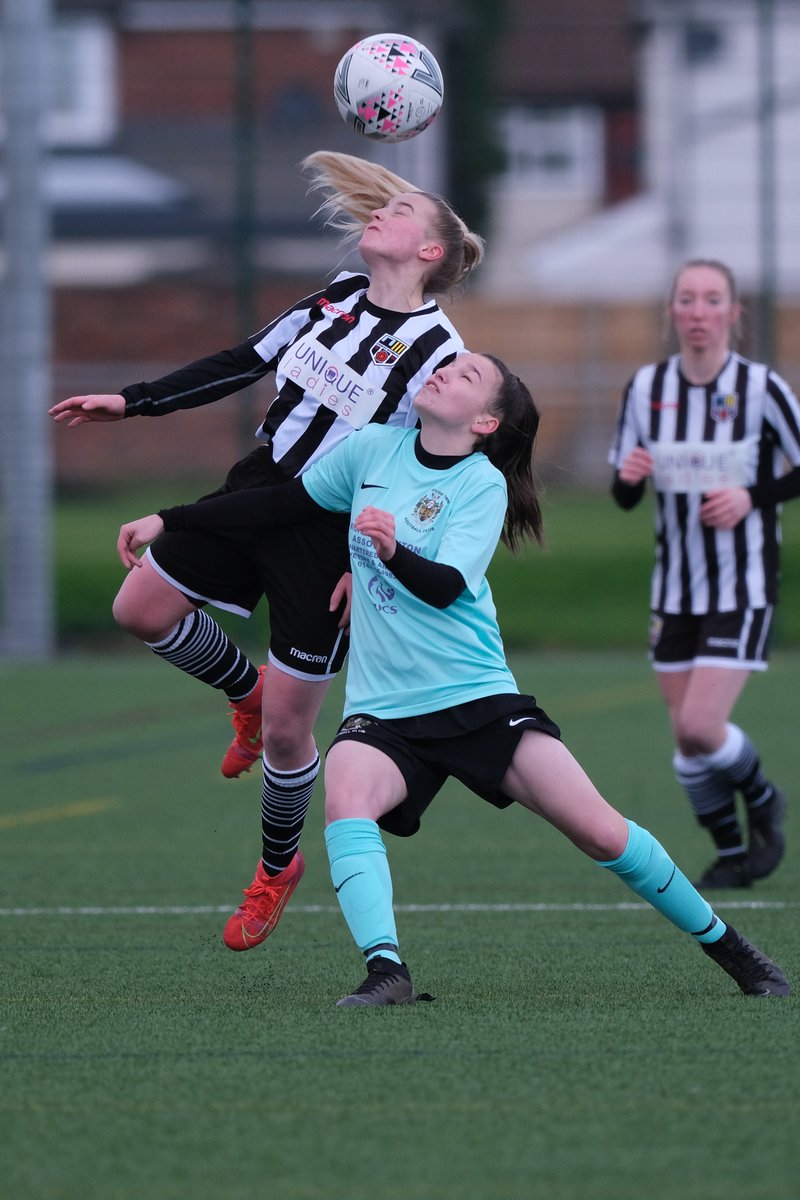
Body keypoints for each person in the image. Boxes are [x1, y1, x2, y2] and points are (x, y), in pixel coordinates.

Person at [118, 351, 790, 1006]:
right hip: (385, 710)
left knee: (600, 833)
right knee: (347, 799)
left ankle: (730, 946)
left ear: (486, 423)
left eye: (467, 374)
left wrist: (387, 550)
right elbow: (275, 507)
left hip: (476, 700)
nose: (444, 370)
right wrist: (169, 521)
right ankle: (387, 972)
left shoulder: (479, 484)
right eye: (451, 363)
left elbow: (443, 587)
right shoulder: (373, 449)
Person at [50, 151, 484, 950]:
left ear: (430, 253)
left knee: (292, 733)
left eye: (399, 214)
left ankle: (277, 867)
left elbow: (431, 464)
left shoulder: (436, 347)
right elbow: (244, 360)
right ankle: (240, 693)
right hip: (262, 485)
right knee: (139, 607)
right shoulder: (337, 299)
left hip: (330, 533)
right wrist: (131, 402)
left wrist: (379, 560)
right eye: (381, 209)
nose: (378, 215)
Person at [609, 259, 800, 889]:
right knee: (687, 742)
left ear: (733, 313)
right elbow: (625, 493)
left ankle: (765, 800)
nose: (697, 311)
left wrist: (752, 497)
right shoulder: (645, 388)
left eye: (711, 299)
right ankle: (731, 851)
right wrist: (630, 479)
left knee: (700, 725)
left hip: (741, 583)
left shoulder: (762, 387)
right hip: (675, 588)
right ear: (672, 311)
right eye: (686, 299)